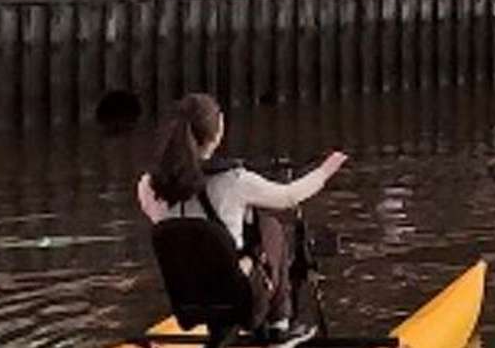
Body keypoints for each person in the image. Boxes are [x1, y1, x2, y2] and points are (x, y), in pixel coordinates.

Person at [137, 93, 349, 344]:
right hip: (240, 298)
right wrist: (326, 170)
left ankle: (225, 331)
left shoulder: (149, 185)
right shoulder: (234, 181)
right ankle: (279, 326)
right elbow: (289, 197)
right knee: (270, 228)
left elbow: (173, 227)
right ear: (219, 131)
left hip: (190, 299)